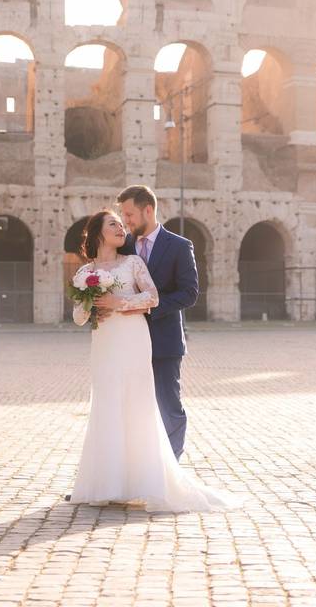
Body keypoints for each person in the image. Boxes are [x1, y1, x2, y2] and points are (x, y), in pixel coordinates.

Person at [68, 210, 239, 512]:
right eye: (114, 224)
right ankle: (107, 483)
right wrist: (92, 307)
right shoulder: (85, 273)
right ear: (97, 233)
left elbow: (154, 297)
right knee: (106, 404)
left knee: (136, 403)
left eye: (122, 224)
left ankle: (143, 481)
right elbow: (78, 318)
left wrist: (118, 303)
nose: (122, 228)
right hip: (104, 342)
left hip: (133, 338)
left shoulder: (133, 263)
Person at [103, 185, 198, 460]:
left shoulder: (180, 246)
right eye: (123, 216)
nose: (127, 222)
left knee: (169, 407)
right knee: (128, 408)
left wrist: (149, 308)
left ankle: (171, 474)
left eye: (130, 214)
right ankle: (128, 473)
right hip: (127, 340)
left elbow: (189, 293)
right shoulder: (126, 245)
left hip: (164, 341)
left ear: (148, 209)